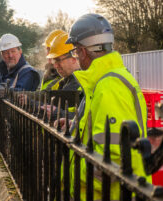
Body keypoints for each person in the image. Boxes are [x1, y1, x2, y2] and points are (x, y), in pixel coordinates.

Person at [63, 13, 150, 200]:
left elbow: (113, 159)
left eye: (75, 52)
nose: (76, 57)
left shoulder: (109, 86)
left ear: (83, 51)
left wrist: (79, 186)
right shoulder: (105, 81)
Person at [0, 33, 40, 99]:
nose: (10, 55)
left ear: (20, 51)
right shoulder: (3, 70)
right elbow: (0, 86)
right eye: (6, 53)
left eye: (13, 51)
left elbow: (18, 95)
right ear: (2, 55)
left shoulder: (28, 72)